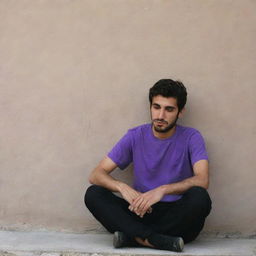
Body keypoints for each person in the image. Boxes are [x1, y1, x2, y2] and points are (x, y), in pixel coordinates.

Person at [84, 79, 212, 252]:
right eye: (156, 107)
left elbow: (202, 180)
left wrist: (162, 190)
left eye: (169, 109)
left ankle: (134, 237)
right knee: (94, 193)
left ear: (180, 112)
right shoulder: (135, 136)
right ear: (150, 107)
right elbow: (96, 174)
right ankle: (158, 240)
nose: (160, 116)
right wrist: (121, 187)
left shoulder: (191, 137)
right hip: (140, 212)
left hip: (175, 215)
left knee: (200, 198)